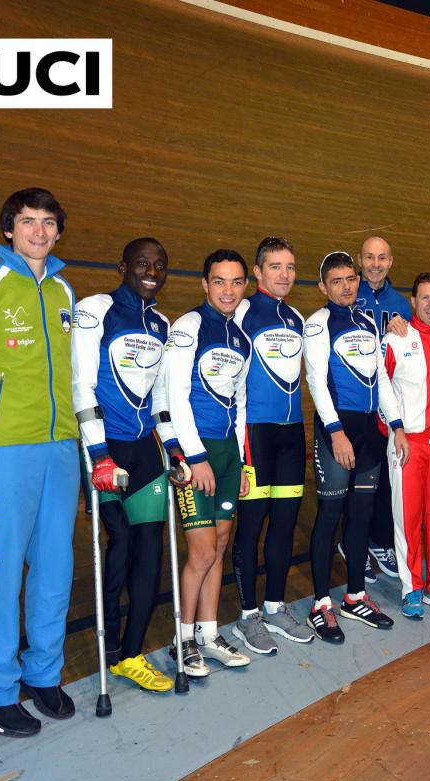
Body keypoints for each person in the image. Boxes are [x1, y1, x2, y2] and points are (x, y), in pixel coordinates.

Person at [0, 188, 80, 736]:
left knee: (55, 569)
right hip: (5, 452)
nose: (38, 231)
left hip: (61, 449)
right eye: (28, 221)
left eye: (48, 222)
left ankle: (43, 674)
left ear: (57, 231)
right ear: (10, 229)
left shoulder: (62, 290)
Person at [71, 237, 183, 693]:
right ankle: (110, 648)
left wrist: (174, 449)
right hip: (105, 450)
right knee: (118, 545)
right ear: (123, 267)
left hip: (143, 452)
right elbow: (81, 385)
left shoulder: (160, 322)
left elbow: (159, 397)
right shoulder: (96, 309)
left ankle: (132, 654)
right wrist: (99, 455)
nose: (150, 270)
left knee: (150, 550)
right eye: (141, 263)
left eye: (159, 264)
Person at [156, 249, 253, 676]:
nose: (228, 290)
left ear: (244, 286)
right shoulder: (188, 327)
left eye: (235, 282)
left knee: (222, 542)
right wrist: (195, 458)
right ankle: (182, 639)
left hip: (228, 455)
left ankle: (209, 634)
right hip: (197, 456)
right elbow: (174, 395)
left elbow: (240, 403)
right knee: (201, 551)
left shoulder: (242, 339)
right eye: (219, 281)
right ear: (204, 284)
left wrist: (242, 462)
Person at [301, 251, 394, 642]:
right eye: (336, 281)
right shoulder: (318, 324)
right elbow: (317, 381)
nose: (345, 286)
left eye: (350, 279)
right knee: (329, 516)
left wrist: (398, 424)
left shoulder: (368, 319)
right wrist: (336, 432)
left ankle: (355, 596)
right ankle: (320, 604)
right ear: (323, 286)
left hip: (369, 435)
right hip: (336, 433)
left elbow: (380, 380)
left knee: (361, 515)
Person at [231, 237, 315, 655]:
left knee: (284, 523)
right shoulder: (244, 311)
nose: (284, 274)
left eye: (290, 267)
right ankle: (248, 616)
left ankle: (275, 605)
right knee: (251, 526)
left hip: (291, 433)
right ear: (258, 272)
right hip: (256, 436)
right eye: (276, 267)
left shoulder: (297, 316)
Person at [379, 272, 430, 619]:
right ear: (413, 301)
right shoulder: (396, 340)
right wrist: (395, 427)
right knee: (407, 520)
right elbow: (381, 384)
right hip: (408, 444)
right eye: (424, 298)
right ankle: (411, 587)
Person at [356, 236, 407, 586]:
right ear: (361, 260)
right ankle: (354, 547)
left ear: (391, 261)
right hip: (353, 403)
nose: (376, 263)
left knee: (384, 481)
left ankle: (378, 542)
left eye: (382, 258)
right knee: (355, 483)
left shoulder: (401, 303)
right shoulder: (346, 290)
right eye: (370, 257)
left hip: (387, 406)